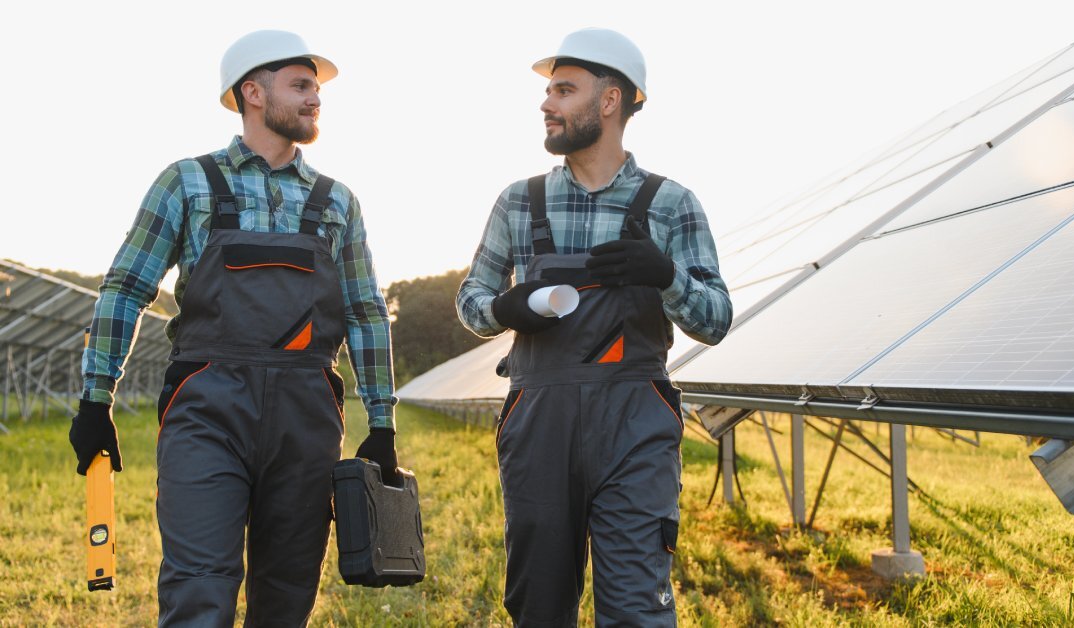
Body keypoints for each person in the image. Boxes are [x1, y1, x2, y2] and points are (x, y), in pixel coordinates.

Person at [68, 30, 399, 626]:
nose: (314, 99)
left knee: (287, 590)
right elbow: (125, 288)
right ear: (252, 91)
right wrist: (96, 401)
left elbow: (365, 312)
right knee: (199, 590)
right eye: (300, 86)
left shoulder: (338, 202)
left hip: (306, 416)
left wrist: (382, 421)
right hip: (208, 408)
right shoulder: (186, 182)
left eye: (316, 89)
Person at [457, 27, 732, 627]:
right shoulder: (518, 202)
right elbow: (471, 301)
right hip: (539, 422)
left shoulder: (671, 204)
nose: (546, 104)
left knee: (636, 605)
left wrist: (665, 276)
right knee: (539, 604)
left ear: (610, 101)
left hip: (634, 423)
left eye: (563, 89)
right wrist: (506, 308)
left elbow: (716, 319)